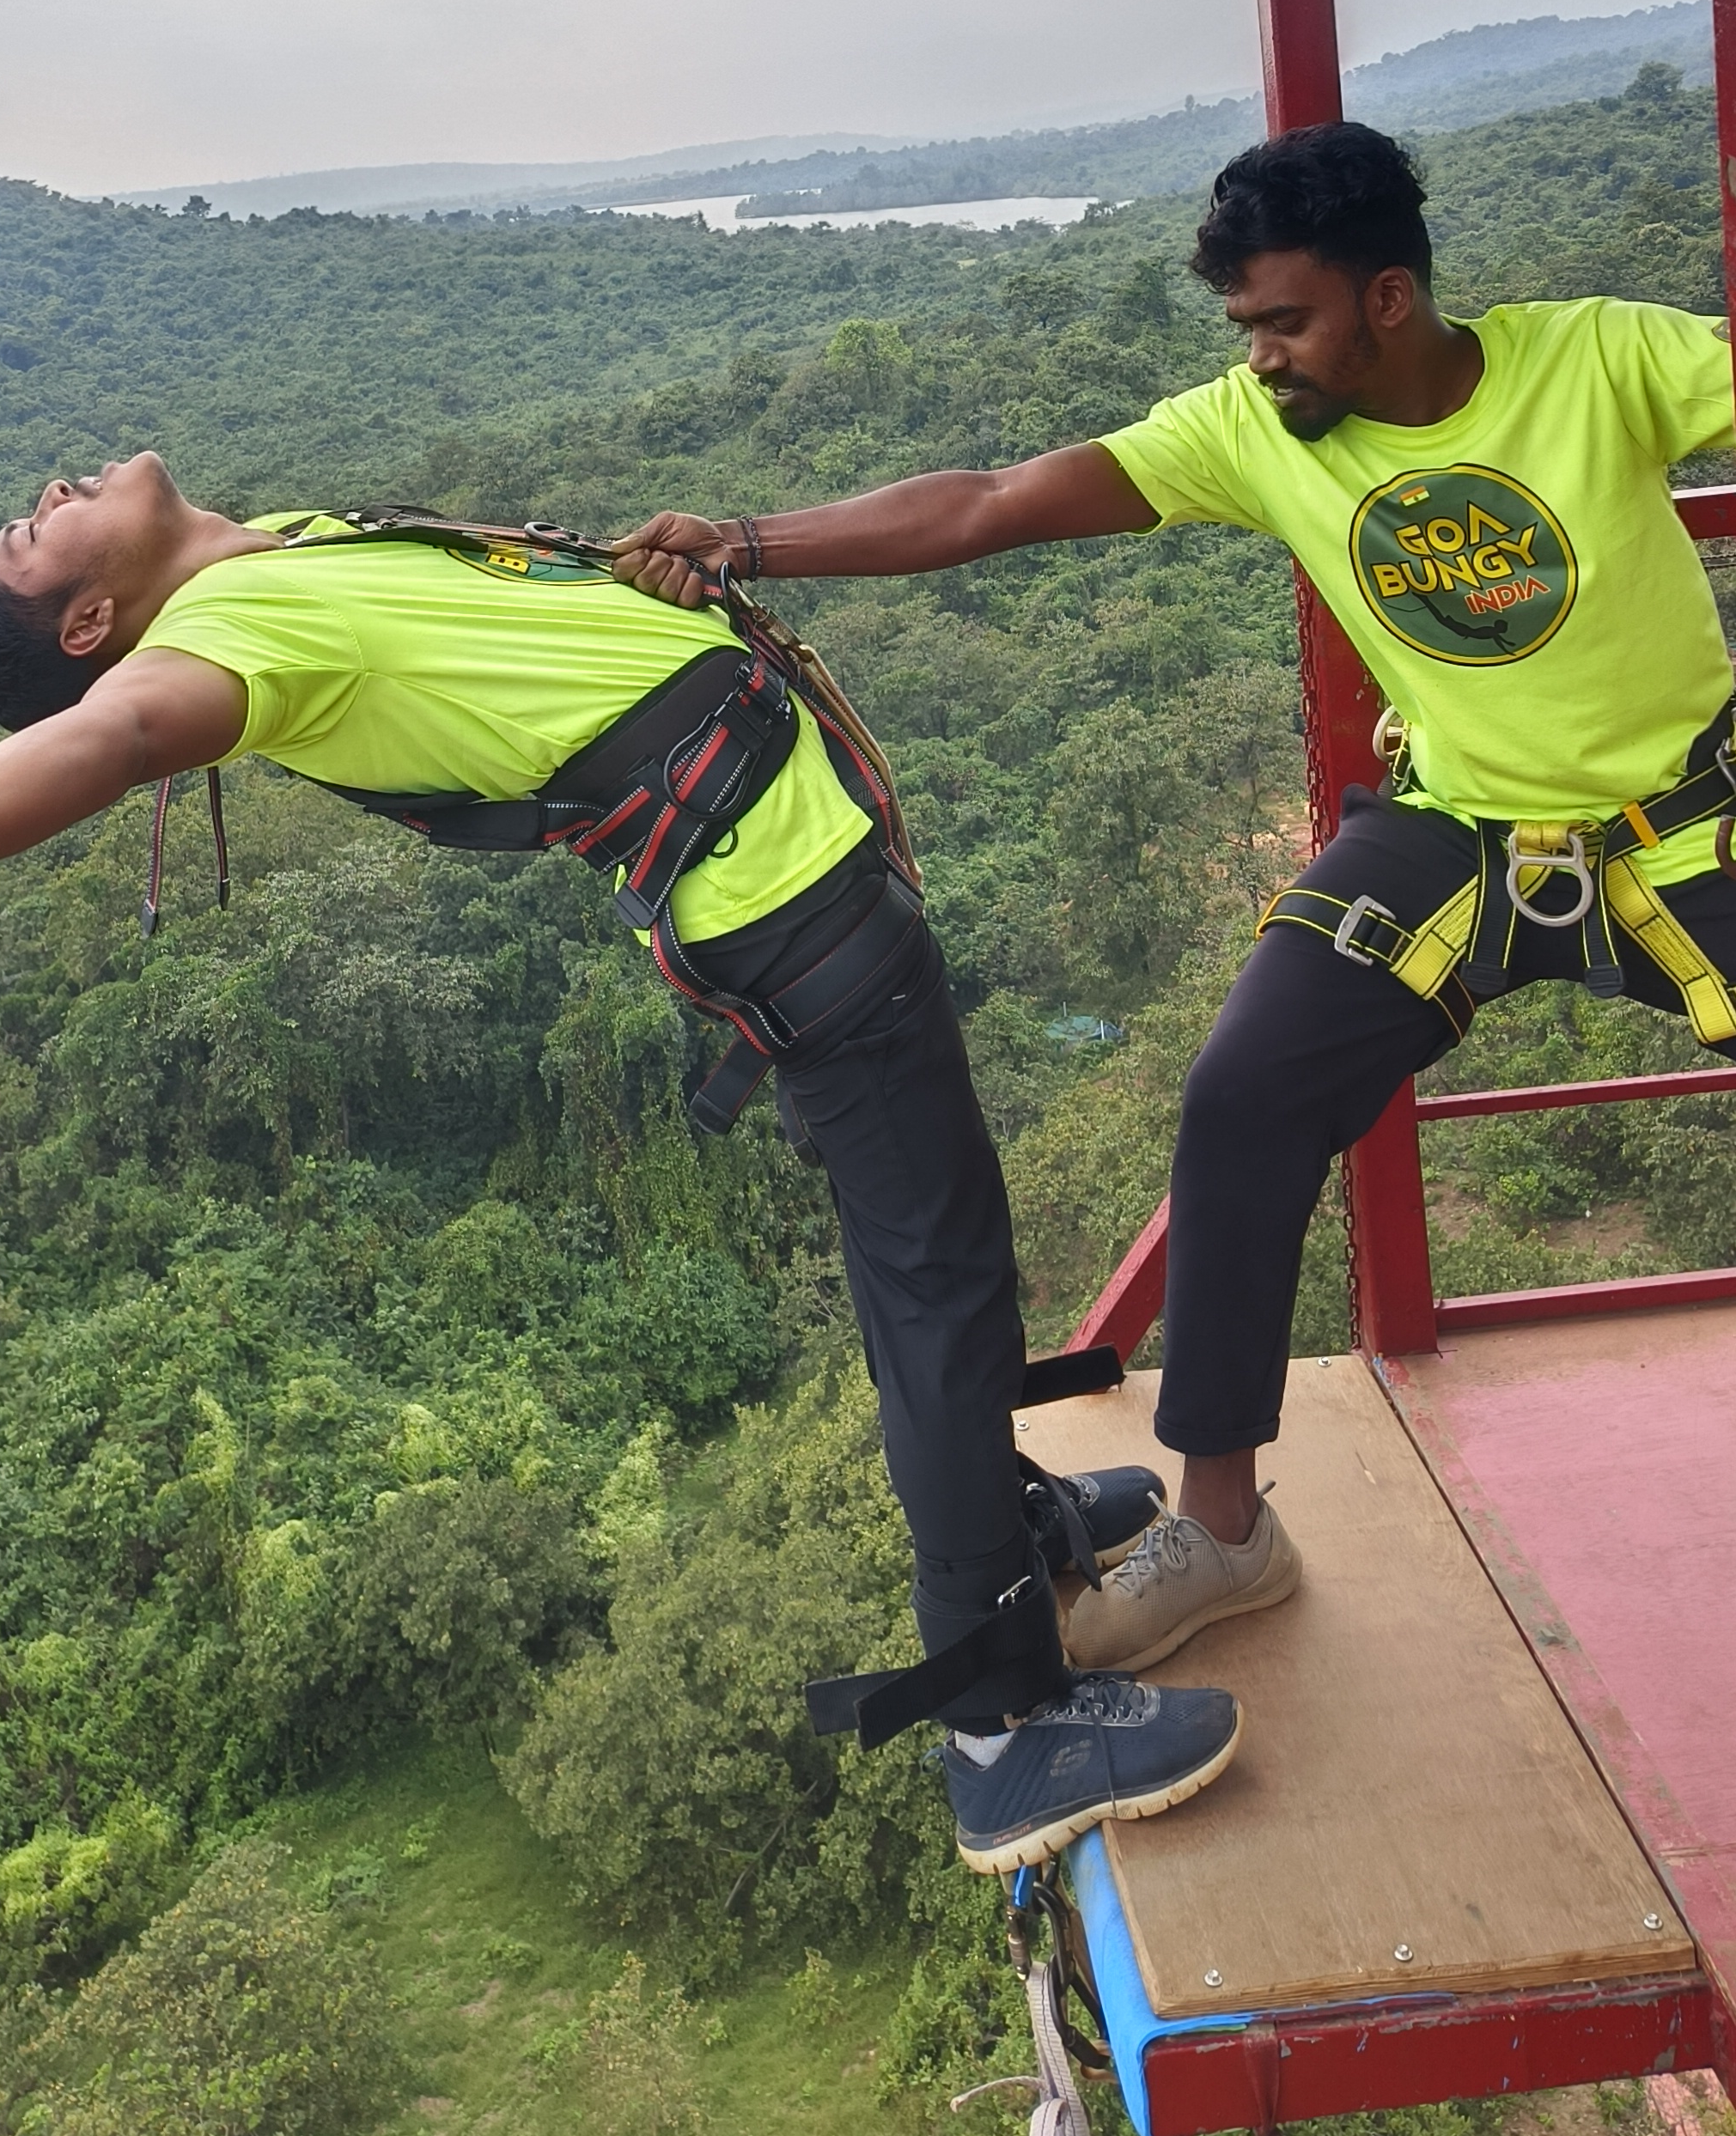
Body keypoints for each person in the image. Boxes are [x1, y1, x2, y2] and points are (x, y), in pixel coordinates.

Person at [0, 461, 1240, 1875]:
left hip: (798, 872)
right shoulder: (199, 659)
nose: (52, 496)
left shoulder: (278, 543)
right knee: (942, 1294)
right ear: (91, 628)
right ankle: (1003, 1730)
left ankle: (1011, 1520)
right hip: (792, 918)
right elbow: (112, 741)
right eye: (33, 537)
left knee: (941, 1259)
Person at [616, 119, 1736, 1677]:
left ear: (1390, 299)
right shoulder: (1256, 431)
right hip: (1454, 831)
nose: (1261, 356)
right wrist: (748, 541)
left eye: (1284, 321)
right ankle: (1225, 1531)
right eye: (1245, 330)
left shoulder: (1602, 363)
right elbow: (991, 503)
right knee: (1239, 1101)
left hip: (1678, 822)